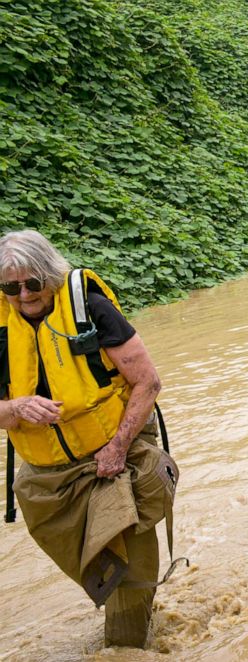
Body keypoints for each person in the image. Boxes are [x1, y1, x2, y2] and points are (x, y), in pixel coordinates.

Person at [0, 230, 178, 649]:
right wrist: (16, 408)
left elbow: (147, 382)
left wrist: (117, 447)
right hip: (49, 479)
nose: (23, 295)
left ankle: (127, 650)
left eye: (32, 284)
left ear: (51, 276)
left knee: (131, 570)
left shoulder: (88, 306)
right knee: (98, 568)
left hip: (115, 456)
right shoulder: (1, 325)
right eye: (10, 287)